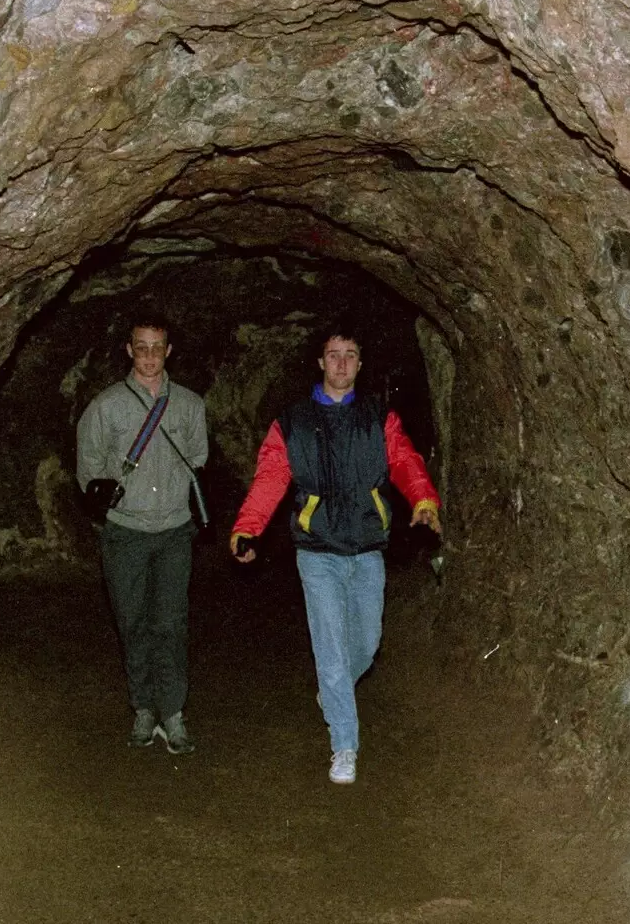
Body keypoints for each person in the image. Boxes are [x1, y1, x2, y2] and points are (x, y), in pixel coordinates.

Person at [229, 330, 442, 784]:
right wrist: (248, 527)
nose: (341, 364)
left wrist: (423, 500)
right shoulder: (293, 422)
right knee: (331, 649)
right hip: (318, 549)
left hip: (366, 547)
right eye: (333, 356)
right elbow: (271, 477)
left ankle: (334, 691)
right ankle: (344, 744)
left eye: (350, 356)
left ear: (360, 364)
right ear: (320, 362)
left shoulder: (378, 417)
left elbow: (404, 460)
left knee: (365, 642)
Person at [77, 317, 209, 754]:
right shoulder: (106, 406)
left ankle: (172, 712)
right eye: (142, 347)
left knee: (170, 623)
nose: (150, 356)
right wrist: (105, 493)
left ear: (169, 350)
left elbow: (197, 458)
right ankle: (143, 708)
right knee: (132, 621)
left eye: (158, 347)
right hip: (126, 533)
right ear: (128, 350)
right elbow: (89, 467)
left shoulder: (189, 406)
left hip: (173, 529)